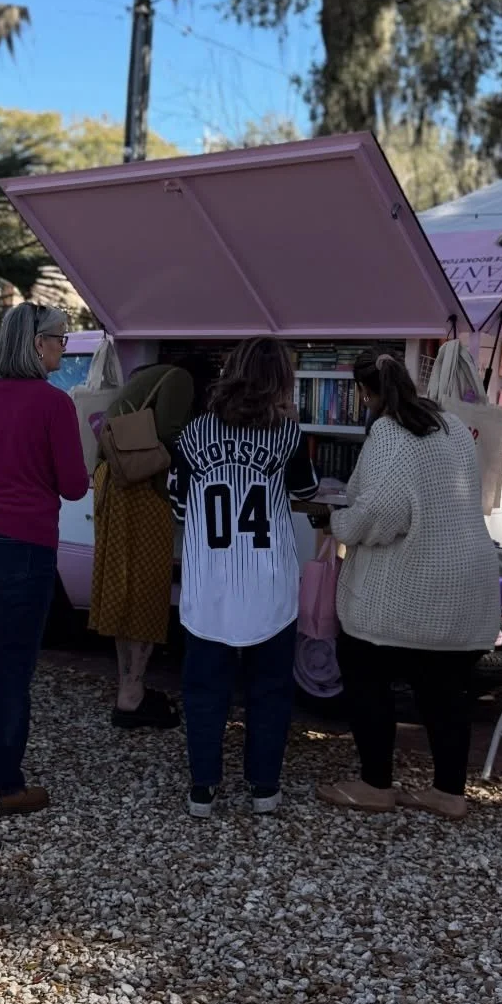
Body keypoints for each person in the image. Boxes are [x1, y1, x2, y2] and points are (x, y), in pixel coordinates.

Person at [317, 352, 500, 820]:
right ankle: (448, 791)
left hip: (411, 588)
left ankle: (375, 782)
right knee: (444, 690)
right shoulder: (452, 425)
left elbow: (382, 511)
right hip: (466, 583)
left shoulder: (388, 432)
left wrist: (339, 524)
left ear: (364, 393)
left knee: (363, 670)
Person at [169, 337, 318, 818]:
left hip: (208, 582)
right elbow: (307, 489)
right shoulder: (287, 435)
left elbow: (177, 504)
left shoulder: (192, 434)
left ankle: (203, 790)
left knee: (204, 690)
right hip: (269, 582)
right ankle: (264, 789)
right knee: (270, 689)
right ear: (282, 382)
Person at [0, 302, 89, 814]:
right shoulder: (54, 405)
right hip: (26, 546)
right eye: (60, 337)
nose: (65, 345)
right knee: (13, 668)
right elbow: (75, 486)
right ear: (38, 344)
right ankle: (3, 784)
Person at [91, 359, 196, 730]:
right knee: (146, 589)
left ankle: (128, 688)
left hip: (112, 484)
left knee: (123, 588)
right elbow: (170, 431)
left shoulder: (143, 380)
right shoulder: (180, 377)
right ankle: (133, 694)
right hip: (141, 491)